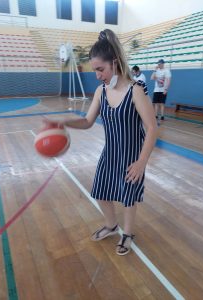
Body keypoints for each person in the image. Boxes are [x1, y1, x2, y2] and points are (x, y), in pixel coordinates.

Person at [44, 29, 157, 255]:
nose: (97, 75)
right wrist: (64, 122)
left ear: (114, 63)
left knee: (128, 197)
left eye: (100, 69)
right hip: (110, 153)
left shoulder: (136, 91)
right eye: (94, 70)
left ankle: (127, 233)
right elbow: (87, 122)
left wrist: (141, 162)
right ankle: (111, 225)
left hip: (132, 155)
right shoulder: (100, 92)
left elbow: (152, 128)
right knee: (101, 191)